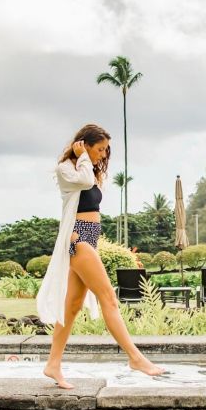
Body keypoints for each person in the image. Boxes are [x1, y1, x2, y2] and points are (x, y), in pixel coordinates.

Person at [37, 123, 166, 389]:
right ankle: (135, 358)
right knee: (109, 297)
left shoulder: (90, 170)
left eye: (106, 150)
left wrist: (88, 159)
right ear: (83, 145)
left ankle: (53, 364)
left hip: (90, 239)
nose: (103, 155)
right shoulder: (68, 169)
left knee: (72, 307)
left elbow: (89, 186)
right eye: (100, 149)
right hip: (78, 239)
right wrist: (83, 156)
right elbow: (83, 182)